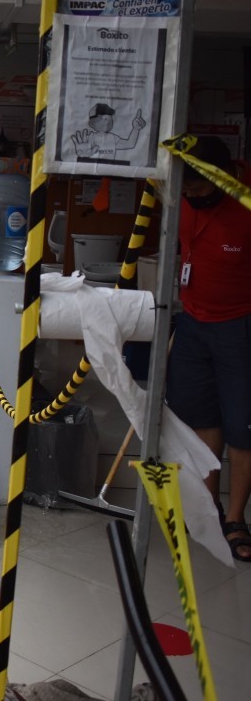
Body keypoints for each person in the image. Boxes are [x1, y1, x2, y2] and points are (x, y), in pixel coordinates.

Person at [165, 135, 251, 562]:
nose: (191, 197)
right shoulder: (182, 199)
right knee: (200, 416)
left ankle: (236, 519)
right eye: (186, 191)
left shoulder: (246, 206)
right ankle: (207, 507)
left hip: (240, 326)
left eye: (199, 190)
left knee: (243, 425)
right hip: (194, 322)